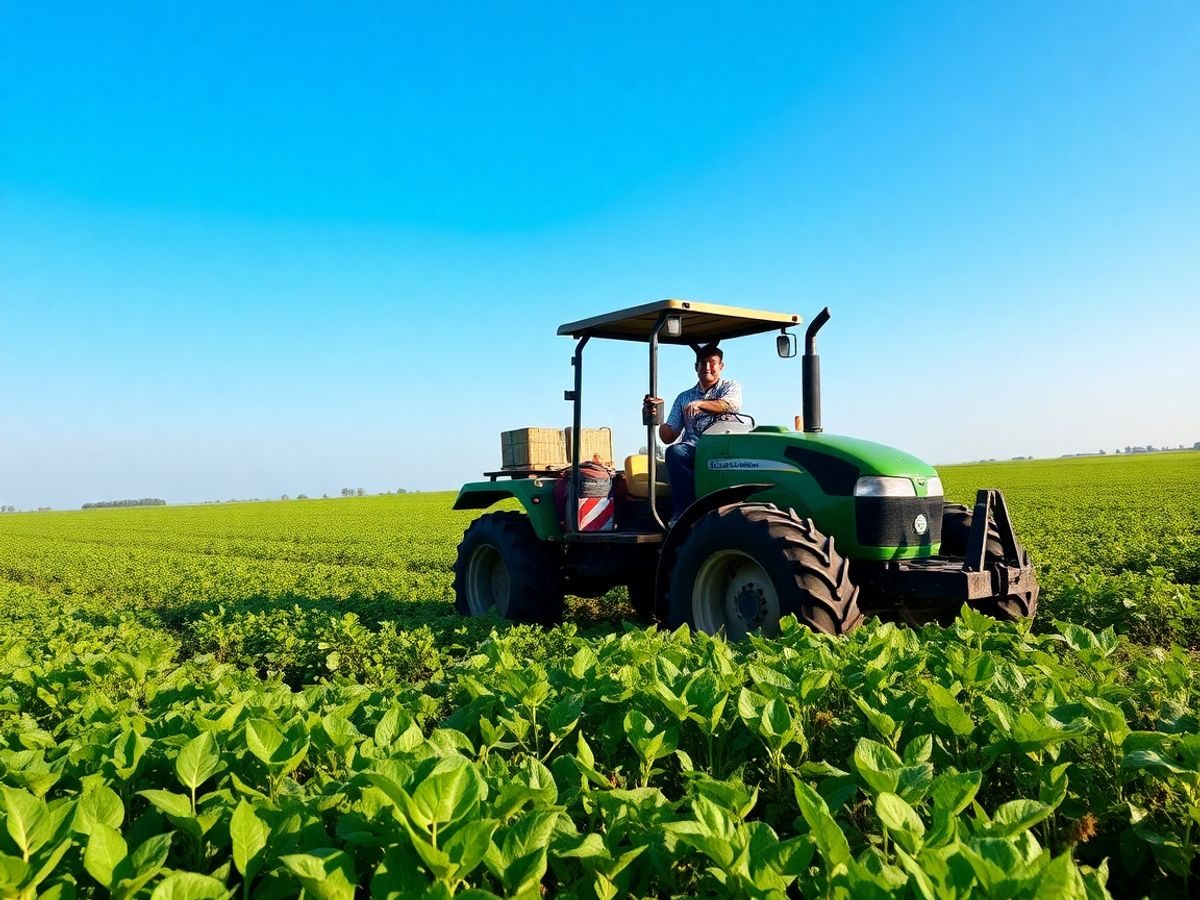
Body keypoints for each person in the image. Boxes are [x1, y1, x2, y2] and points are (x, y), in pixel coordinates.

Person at [642, 343, 742, 524]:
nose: (707, 367)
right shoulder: (683, 397)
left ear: (721, 366)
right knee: (675, 452)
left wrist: (700, 404)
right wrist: (657, 414)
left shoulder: (730, 387)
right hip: (695, 448)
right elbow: (668, 436)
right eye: (703, 363)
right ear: (696, 367)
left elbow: (730, 405)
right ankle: (685, 514)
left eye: (712, 363)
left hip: (725, 445)